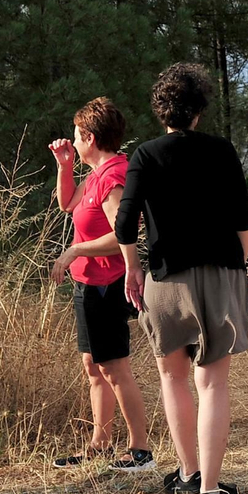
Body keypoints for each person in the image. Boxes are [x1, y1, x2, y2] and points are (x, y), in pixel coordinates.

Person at [116, 64, 248, 494]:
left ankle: (188, 473)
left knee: (173, 377)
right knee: (212, 382)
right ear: (199, 110)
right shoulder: (222, 150)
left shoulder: (146, 154)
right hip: (219, 270)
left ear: (162, 111)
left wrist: (133, 271)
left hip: (165, 277)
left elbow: (124, 223)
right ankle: (210, 491)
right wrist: (237, 267)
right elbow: (242, 221)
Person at [47, 98, 153, 472]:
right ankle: (99, 444)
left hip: (108, 283)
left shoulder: (113, 176)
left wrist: (74, 250)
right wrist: (65, 167)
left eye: (77, 137)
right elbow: (67, 204)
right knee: (94, 367)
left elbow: (121, 234)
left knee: (115, 367)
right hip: (86, 284)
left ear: (90, 137)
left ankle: (140, 450)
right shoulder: (95, 173)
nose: (74, 142)